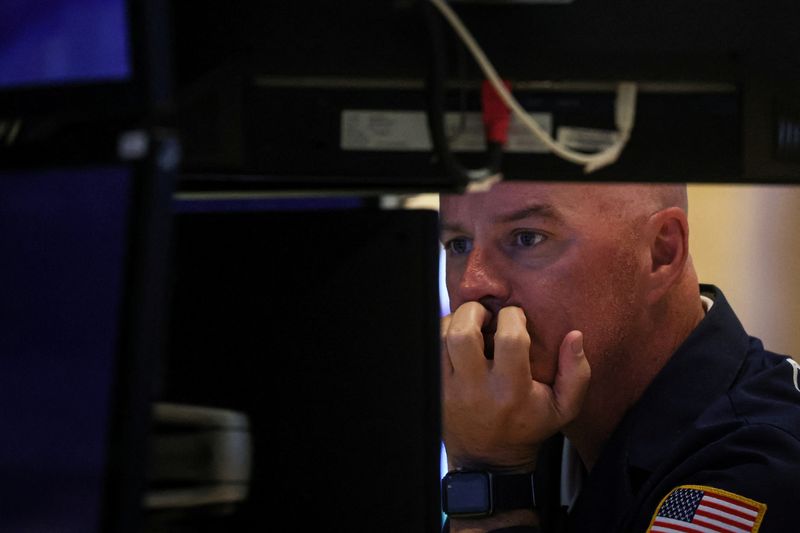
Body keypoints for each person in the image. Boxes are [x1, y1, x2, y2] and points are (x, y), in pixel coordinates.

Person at [438, 181, 800, 533]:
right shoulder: (527, 414)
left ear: (661, 253)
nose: (473, 283)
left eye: (527, 238)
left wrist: (490, 477)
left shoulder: (757, 467)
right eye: (458, 244)